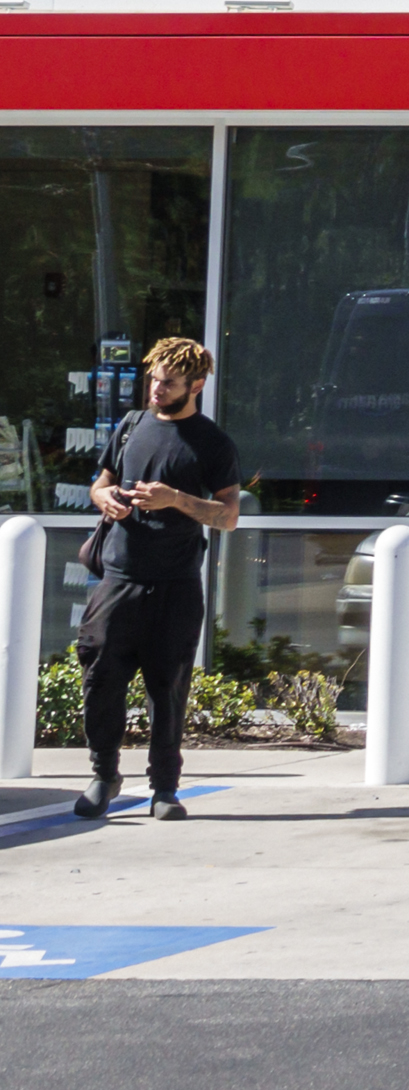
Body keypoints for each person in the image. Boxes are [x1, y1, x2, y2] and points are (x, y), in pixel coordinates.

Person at [77, 336, 240, 820]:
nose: (156, 389)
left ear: (197, 385)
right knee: (101, 677)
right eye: (153, 379)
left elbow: (229, 515)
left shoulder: (212, 443)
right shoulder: (131, 426)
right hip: (119, 578)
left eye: (167, 383)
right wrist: (102, 497)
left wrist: (177, 500)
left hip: (175, 583)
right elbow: (101, 481)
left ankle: (164, 789)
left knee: (167, 687)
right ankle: (104, 774)